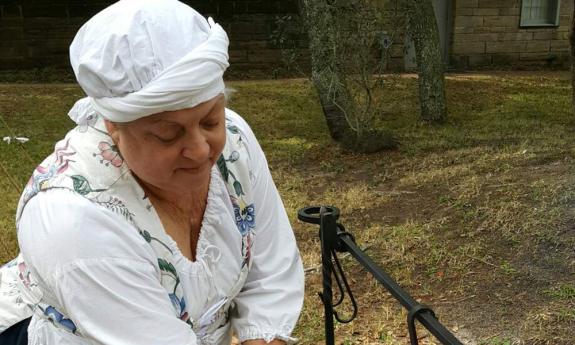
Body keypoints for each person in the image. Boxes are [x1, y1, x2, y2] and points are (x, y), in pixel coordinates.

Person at [0, 0, 305, 344]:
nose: (201, 149)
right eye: (168, 134)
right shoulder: (72, 217)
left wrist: (262, 338)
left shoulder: (234, 139)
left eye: (210, 120)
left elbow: (271, 270)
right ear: (114, 126)